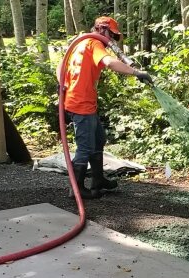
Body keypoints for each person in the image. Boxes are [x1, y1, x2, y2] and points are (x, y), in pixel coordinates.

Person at [58, 16, 153, 199]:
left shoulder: (79, 43)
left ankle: (98, 180)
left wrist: (61, 83)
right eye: (112, 35)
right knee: (85, 148)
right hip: (81, 104)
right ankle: (76, 189)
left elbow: (61, 64)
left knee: (99, 139)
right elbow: (109, 62)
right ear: (102, 30)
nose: (113, 40)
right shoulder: (93, 44)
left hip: (80, 101)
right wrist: (136, 73)